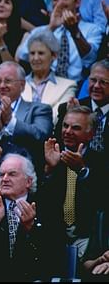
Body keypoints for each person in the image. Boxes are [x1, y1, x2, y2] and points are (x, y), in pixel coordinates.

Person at [0, 153, 66, 281]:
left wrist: (30, 230)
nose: (4, 179)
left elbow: (53, 258)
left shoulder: (47, 212)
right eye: (1, 174)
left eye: (12, 174)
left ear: (28, 181)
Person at [43, 105, 107, 258]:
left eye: (76, 128)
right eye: (65, 126)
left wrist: (82, 171)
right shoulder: (49, 153)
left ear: (90, 134)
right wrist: (49, 170)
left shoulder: (101, 161)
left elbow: (102, 199)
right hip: (53, 236)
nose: (68, 132)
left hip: (87, 237)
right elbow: (40, 201)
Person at [15, 0, 103, 84]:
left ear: (77, 2)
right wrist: (51, 27)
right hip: (45, 85)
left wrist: (74, 31)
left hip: (77, 86)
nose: (59, 3)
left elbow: (90, 59)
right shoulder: (42, 30)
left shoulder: (92, 29)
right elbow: (23, 55)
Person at [0, 61, 53, 166]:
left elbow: (40, 136)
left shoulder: (40, 109)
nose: (2, 85)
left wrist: (10, 121)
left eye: (7, 81)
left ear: (22, 85)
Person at [22, 30, 77, 124]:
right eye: (32, 53)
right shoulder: (18, 83)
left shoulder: (68, 86)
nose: (35, 58)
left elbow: (57, 117)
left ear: (54, 56)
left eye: (41, 53)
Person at [55, 60, 109, 153]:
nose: (96, 86)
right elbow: (57, 143)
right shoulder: (71, 108)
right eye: (93, 80)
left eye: (103, 82)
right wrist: (70, 115)